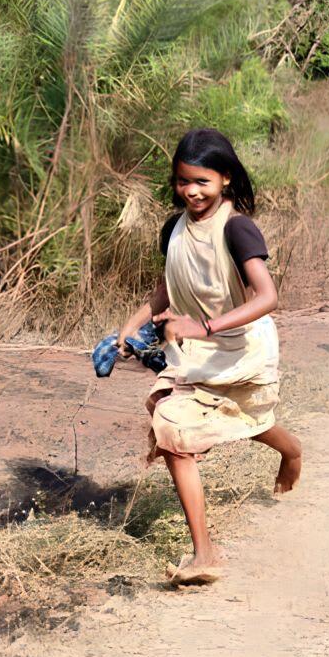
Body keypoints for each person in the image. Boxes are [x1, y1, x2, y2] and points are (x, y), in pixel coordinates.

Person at [115, 128, 302, 585]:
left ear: (225, 179)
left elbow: (268, 296)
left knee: (247, 417)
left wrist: (205, 326)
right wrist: (132, 325)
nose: (192, 191)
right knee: (172, 429)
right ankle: (205, 555)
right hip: (196, 354)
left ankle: (292, 452)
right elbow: (166, 286)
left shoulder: (237, 228)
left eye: (202, 181)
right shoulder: (173, 229)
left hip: (243, 350)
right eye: (183, 181)